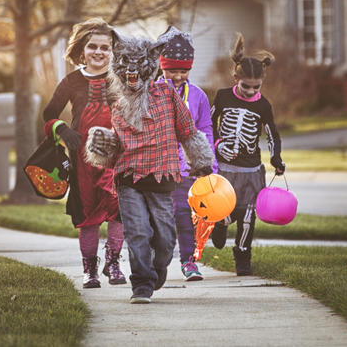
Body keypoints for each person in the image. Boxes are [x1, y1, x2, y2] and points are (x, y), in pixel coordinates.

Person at [84, 30, 215, 304]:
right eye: (126, 68)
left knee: (166, 240)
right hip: (129, 179)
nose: (132, 74)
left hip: (162, 177)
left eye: (137, 67)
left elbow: (187, 130)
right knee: (138, 232)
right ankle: (141, 285)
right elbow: (117, 145)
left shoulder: (166, 94)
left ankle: (157, 269)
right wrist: (102, 144)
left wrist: (202, 162)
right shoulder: (118, 103)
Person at [42, 17, 126, 289]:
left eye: (105, 47)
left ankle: (113, 263)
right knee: (86, 213)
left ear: (113, 51)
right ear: (82, 49)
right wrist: (62, 130)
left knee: (118, 210)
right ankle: (89, 269)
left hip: (116, 156)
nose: (99, 52)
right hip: (82, 159)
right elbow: (48, 114)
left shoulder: (121, 78)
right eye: (93, 47)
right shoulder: (71, 81)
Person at [210, 33, 285, 276]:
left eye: (256, 87)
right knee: (226, 209)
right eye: (246, 86)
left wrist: (276, 159)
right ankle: (219, 224)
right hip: (225, 168)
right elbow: (208, 125)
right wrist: (217, 145)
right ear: (235, 78)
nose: (251, 91)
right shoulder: (222, 96)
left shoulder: (263, 105)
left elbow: (272, 133)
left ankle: (242, 255)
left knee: (248, 215)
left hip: (251, 170)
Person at [156, 27, 217, 282]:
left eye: (183, 70)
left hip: (186, 170)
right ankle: (156, 263)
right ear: (161, 67)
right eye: (172, 70)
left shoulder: (199, 96)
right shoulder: (152, 91)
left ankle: (188, 262)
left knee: (184, 216)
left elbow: (205, 130)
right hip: (157, 168)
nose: (178, 76)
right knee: (159, 220)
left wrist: (207, 164)